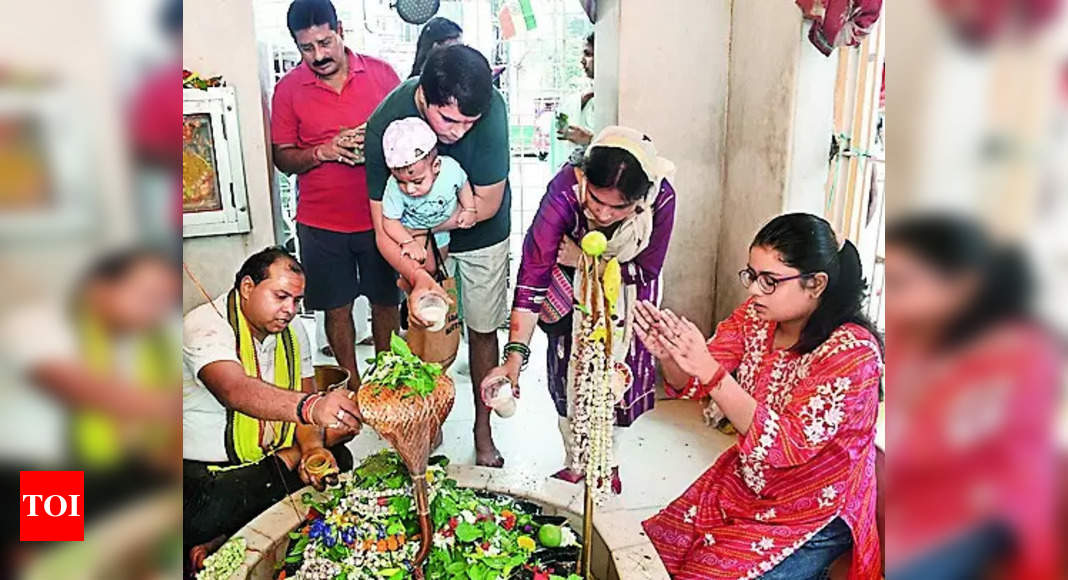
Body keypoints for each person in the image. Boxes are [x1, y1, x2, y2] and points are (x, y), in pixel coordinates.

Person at [635, 213, 884, 579]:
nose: (753, 290)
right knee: (659, 549)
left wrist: (710, 372)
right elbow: (695, 381)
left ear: (815, 284)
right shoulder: (756, 318)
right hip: (748, 482)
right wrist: (671, 357)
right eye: (752, 275)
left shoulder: (852, 353)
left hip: (812, 506)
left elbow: (787, 444)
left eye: (770, 281)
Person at [483, 126, 676, 492]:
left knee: (614, 377)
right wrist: (513, 357)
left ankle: (608, 462)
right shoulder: (563, 194)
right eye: (595, 200)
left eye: (617, 207)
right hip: (567, 289)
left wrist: (587, 259)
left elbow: (648, 268)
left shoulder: (660, 198)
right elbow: (533, 273)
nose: (603, 214)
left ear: (639, 200)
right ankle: (575, 461)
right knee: (568, 371)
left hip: (628, 294)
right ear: (584, 179)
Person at [883, 215, 1058, 580]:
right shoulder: (912, 334)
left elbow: (940, 447)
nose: (892, 296)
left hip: (985, 505)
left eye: (903, 283)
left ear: (960, 287)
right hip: (923, 490)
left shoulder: (1020, 354)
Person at [365, 44, 511, 467]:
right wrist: (418, 273)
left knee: (483, 327)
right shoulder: (385, 126)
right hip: (416, 240)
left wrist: (426, 229)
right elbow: (382, 230)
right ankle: (430, 421)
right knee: (429, 335)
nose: (458, 133)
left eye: (470, 123)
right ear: (423, 97)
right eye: (448, 120)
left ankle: (483, 431)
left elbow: (485, 204)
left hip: (481, 232)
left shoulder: (490, 108)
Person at [182, 248, 362, 567]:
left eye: (296, 301)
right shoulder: (204, 326)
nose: (289, 310)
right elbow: (234, 390)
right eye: (280, 297)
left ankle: (231, 539)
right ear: (248, 287)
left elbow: (306, 401)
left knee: (338, 460)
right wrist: (311, 407)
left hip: (269, 463)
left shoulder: (293, 333)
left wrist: (309, 452)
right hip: (208, 478)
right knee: (214, 505)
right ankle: (222, 538)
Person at [271, 0, 402, 388]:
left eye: (325, 43)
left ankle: (388, 381)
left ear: (340, 30)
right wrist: (322, 152)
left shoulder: (381, 75)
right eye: (307, 48)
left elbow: (409, 135)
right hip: (320, 222)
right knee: (336, 308)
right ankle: (353, 385)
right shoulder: (289, 89)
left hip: (381, 215)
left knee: (386, 303)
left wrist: (376, 143)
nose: (319, 55)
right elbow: (282, 157)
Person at [380, 116, 477, 271]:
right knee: (425, 266)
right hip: (412, 230)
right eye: (401, 182)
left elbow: (463, 184)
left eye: (417, 181)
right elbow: (390, 221)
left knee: (440, 262)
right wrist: (407, 242)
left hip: (442, 229)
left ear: (436, 166)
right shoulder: (392, 186)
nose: (409, 189)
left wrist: (469, 208)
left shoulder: (451, 170)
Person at [548, 32, 597, 171]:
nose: (582, 61)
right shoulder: (584, 99)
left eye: (588, 54)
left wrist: (590, 140)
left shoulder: (614, 99)